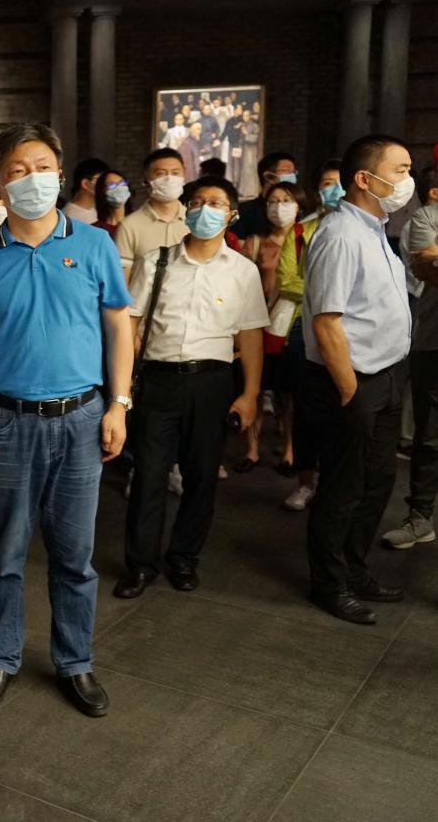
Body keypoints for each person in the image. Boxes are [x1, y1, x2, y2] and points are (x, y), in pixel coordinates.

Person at [0, 122, 132, 717]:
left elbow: (118, 326)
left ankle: (75, 661)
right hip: (5, 422)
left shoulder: (95, 245)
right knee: (3, 554)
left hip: (81, 418)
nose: (32, 179)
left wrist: (119, 403)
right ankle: (1, 657)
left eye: (42, 167)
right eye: (17, 171)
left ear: (60, 173)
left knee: (75, 556)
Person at [115, 177, 268, 598]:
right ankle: (140, 564)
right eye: (197, 201)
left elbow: (251, 336)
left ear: (231, 214)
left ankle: (183, 558)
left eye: (215, 203)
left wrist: (250, 394)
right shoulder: (157, 261)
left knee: (202, 477)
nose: (204, 209)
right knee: (149, 475)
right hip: (159, 380)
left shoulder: (243, 270)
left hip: (212, 383)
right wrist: (122, 388)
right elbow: (130, 323)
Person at [302, 135, 414, 625]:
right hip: (354, 381)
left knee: (378, 481)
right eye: (401, 170)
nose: (409, 180)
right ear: (365, 179)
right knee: (343, 487)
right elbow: (327, 322)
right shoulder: (341, 234)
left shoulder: (375, 229)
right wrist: (349, 388)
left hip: (386, 375)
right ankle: (328, 584)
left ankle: (354, 569)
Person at [273, 160, 342, 511]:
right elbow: (286, 280)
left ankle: (333, 484)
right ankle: (305, 483)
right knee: (305, 409)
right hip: (305, 328)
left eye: (340, 182)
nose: (335, 189)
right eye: (328, 183)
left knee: (341, 411)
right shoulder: (301, 232)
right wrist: (331, 294)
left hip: (348, 332)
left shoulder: (367, 230)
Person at [234, 181, 310, 473]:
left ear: (299, 205)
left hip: (291, 324)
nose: (279, 207)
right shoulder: (255, 243)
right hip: (259, 324)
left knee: (289, 394)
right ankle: (251, 451)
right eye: (273, 201)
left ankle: (290, 451)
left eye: (286, 200)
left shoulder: (306, 241)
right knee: (254, 387)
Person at [383, 167, 438, 549]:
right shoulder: (426, 218)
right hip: (433, 343)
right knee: (430, 436)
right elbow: (426, 267)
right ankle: (420, 516)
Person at [114, 148, 190, 280]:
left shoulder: (195, 222)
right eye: (161, 173)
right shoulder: (129, 226)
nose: (169, 179)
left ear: (184, 175)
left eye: (175, 173)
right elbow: (122, 279)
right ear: (146, 179)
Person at [234, 151, 299, 238]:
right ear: (268, 176)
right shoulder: (245, 211)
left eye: (293, 172)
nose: (292, 175)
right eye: (286, 171)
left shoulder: (296, 207)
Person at [63, 157, 109, 224]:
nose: (105, 185)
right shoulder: (71, 215)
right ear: (85, 184)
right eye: (100, 180)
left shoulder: (93, 209)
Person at [93, 170, 132, 238]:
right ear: (102, 192)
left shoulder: (138, 223)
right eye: (112, 185)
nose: (119, 188)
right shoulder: (95, 230)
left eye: (122, 183)